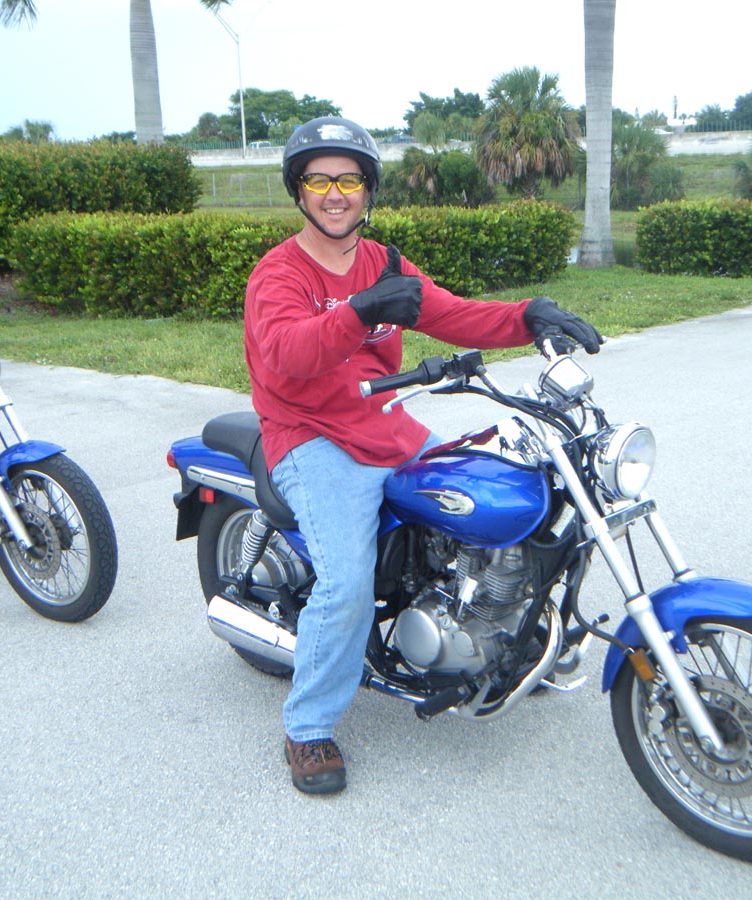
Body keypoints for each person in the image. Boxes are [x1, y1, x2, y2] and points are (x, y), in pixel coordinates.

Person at [243, 117, 603, 795]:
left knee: (498, 503)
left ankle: (501, 635)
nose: (335, 194)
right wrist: (358, 312)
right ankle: (309, 725)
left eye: (349, 179)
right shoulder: (278, 274)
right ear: (299, 190)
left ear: (368, 188)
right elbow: (287, 354)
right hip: (312, 435)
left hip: (385, 424)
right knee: (347, 585)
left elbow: (450, 313)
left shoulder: (384, 264)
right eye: (319, 180)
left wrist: (529, 315)